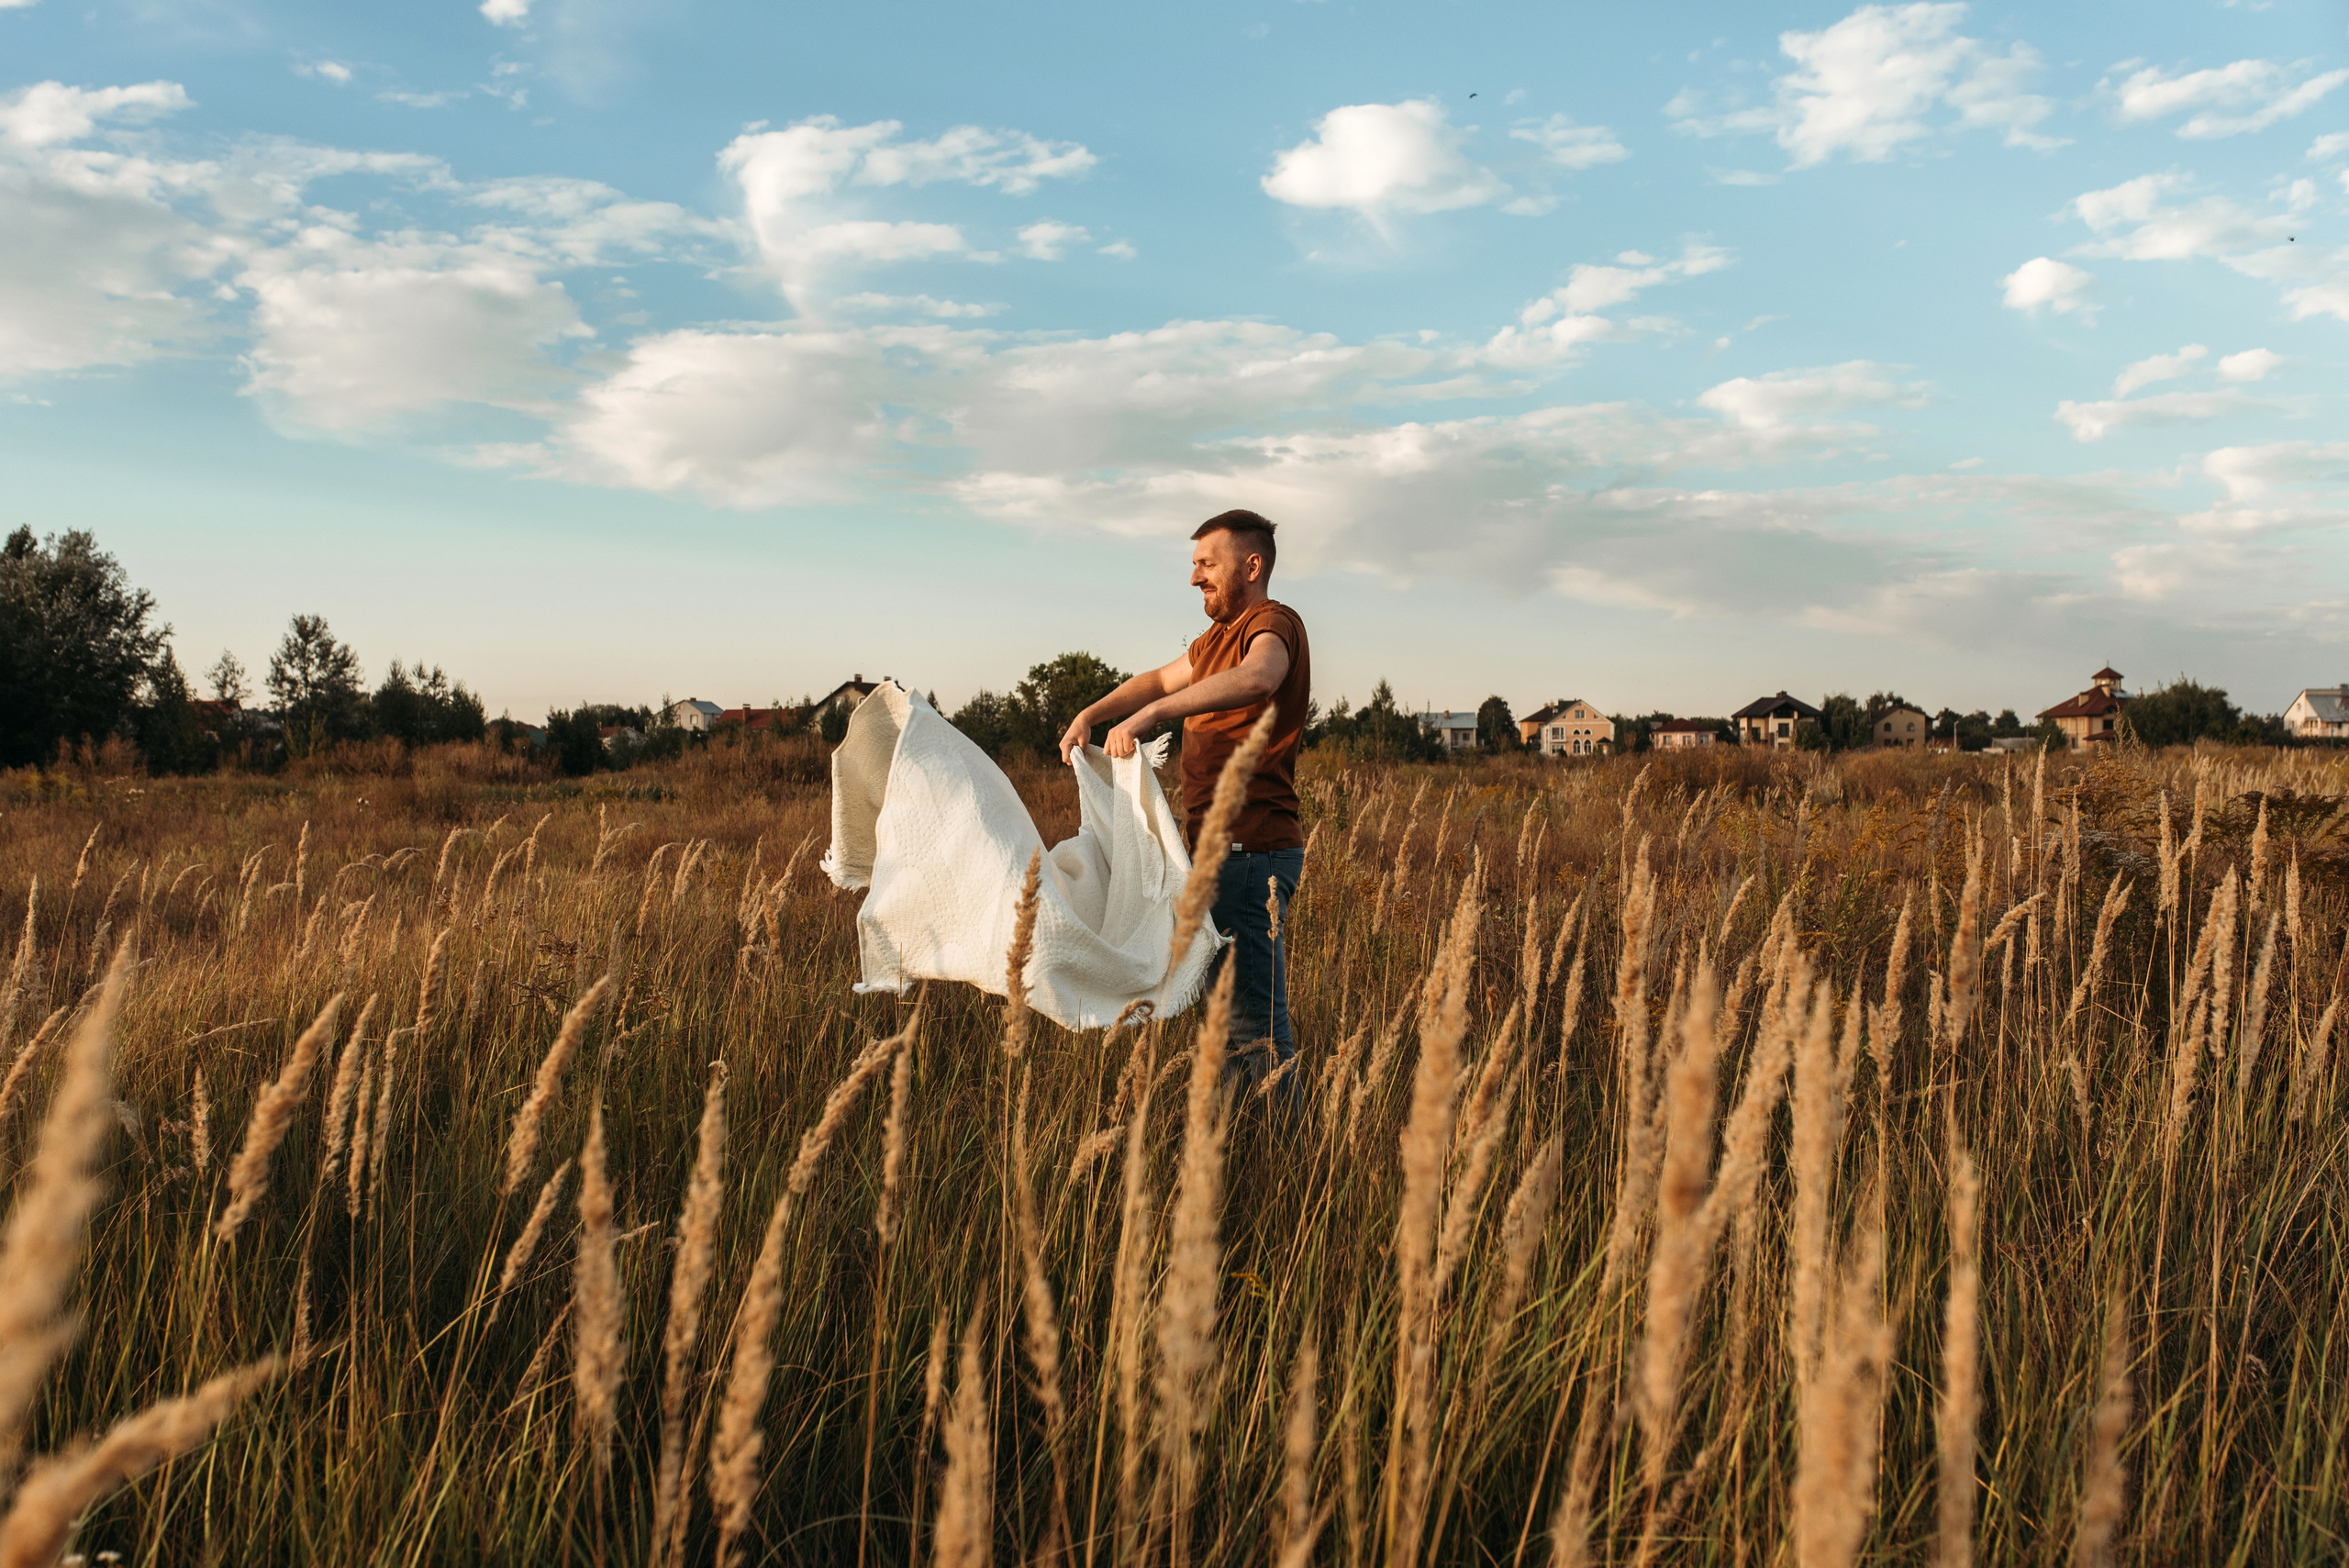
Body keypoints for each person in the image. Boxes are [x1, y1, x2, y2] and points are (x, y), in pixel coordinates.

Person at [1058, 509, 1311, 1090]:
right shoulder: (1214, 640)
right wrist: (1090, 715)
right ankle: (1239, 1146)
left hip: (1251, 854)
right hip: (1220, 851)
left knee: (1255, 1027)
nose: (1195, 577)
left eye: (1206, 564)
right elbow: (1155, 679)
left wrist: (1151, 718)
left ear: (1251, 566)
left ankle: (1283, 1155)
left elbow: (1259, 677)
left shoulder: (1271, 624)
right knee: (1224, 1024)